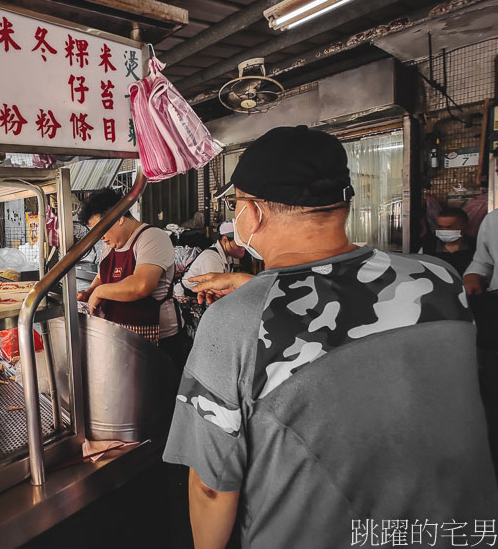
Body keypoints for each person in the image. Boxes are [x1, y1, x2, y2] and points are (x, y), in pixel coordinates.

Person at [163, 125, 497, 549]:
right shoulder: (439, 279)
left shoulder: (234, 321)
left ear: (255, 213)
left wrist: (251, 297)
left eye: (237, 203)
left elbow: (211, 487)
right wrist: (253, 287)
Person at [77, 189, 183, 366]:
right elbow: (103, 276)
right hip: (119, 335)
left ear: (118, 217)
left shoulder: (152, 237)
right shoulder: (111, 243)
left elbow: (142, 285)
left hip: (157, 342)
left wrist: (100, 292)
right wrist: (89, 292)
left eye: (101, 229)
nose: (100, 236)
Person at [177, 222, 245, 296]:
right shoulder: (212, 258)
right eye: (239, 243)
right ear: (225, 240)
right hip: (186, 297)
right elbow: (218, 292)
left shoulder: (228, 257)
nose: (244, 247)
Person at [422, 207, 475, 277]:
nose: (444, 230)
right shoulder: (428, 247)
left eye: (449, 227)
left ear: (464, 227)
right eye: (440, 227)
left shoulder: (476, 247)